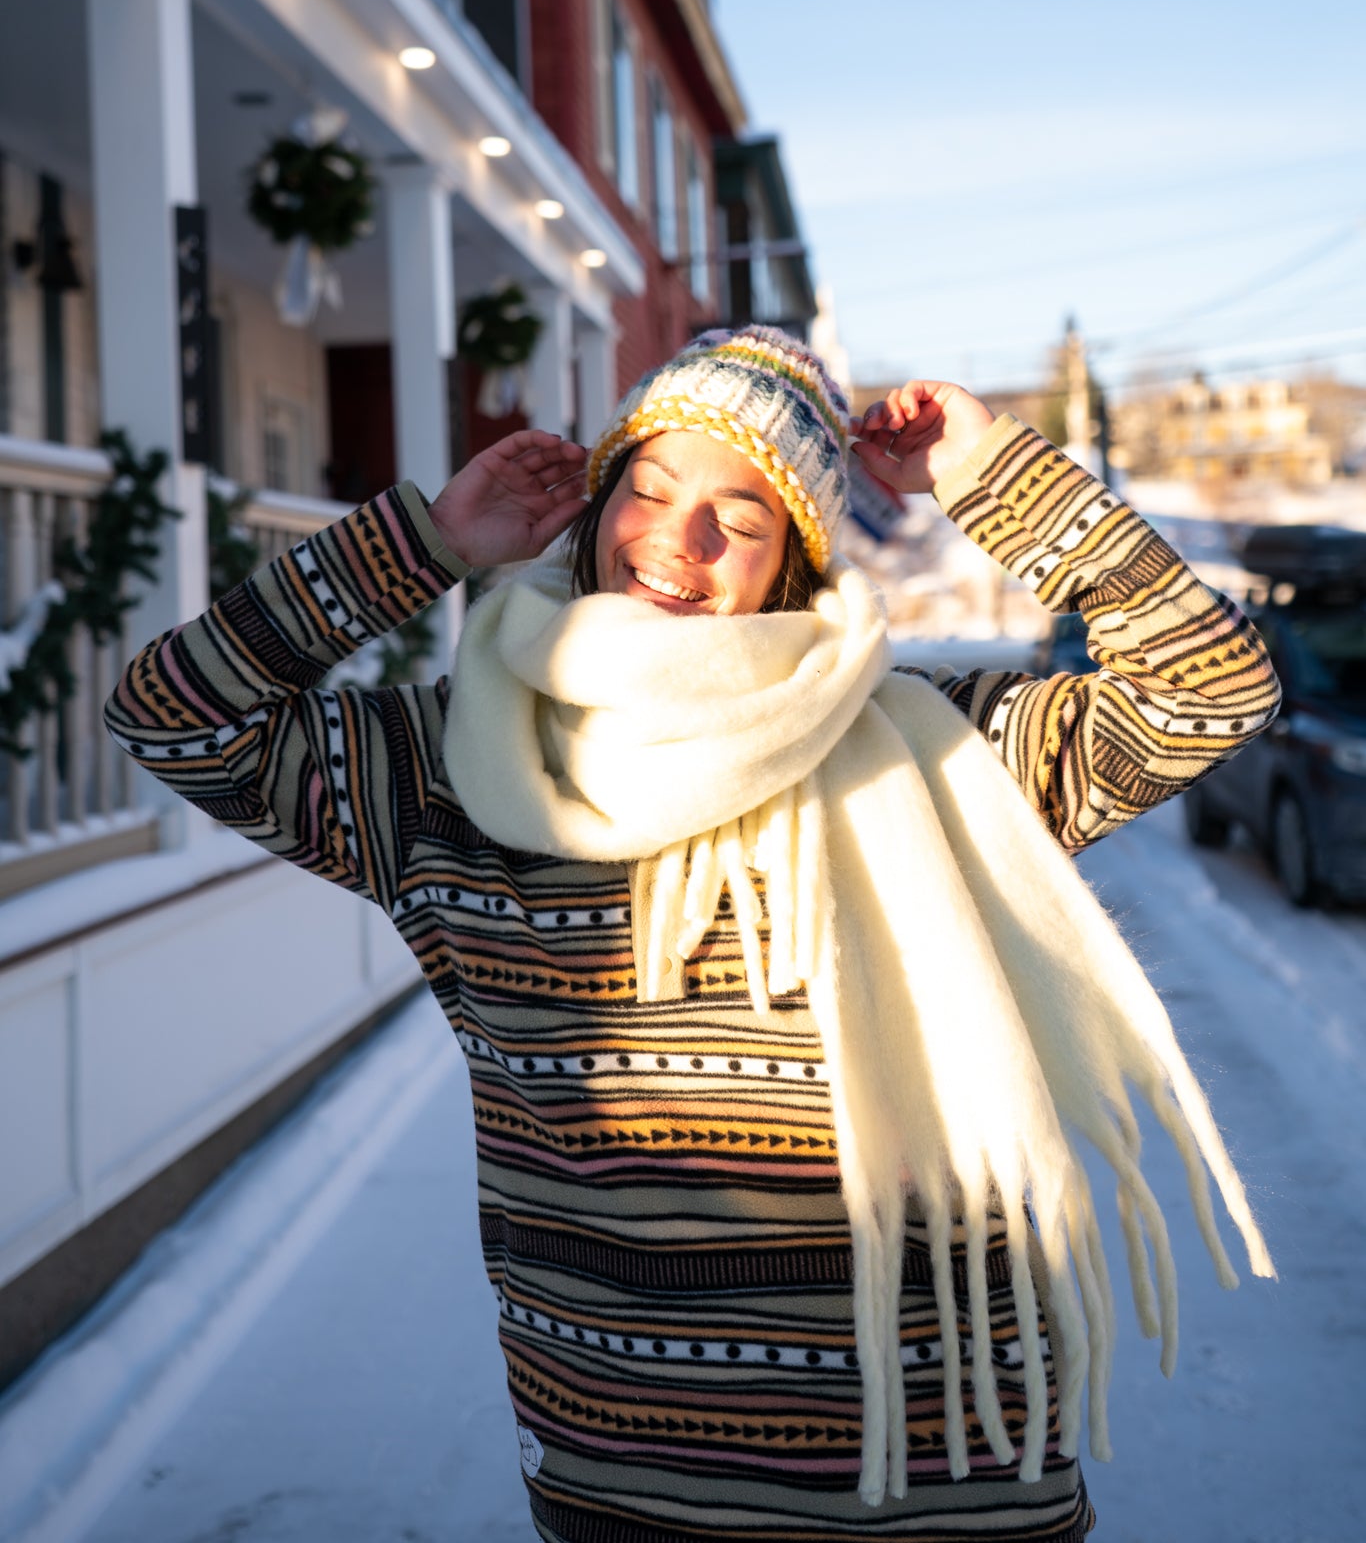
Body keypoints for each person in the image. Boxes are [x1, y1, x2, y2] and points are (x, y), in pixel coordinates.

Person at [107, 326, 1280, 1543]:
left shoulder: (935, 753)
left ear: (793, 566)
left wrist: (998, 477)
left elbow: (1208, 687)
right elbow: (175, 715)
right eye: (650, 488)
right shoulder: (442, 770)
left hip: (947, 1470)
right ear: (596, 504)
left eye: (743, 515)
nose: (679, 538)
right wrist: (429, 544)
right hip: (624, 1470)